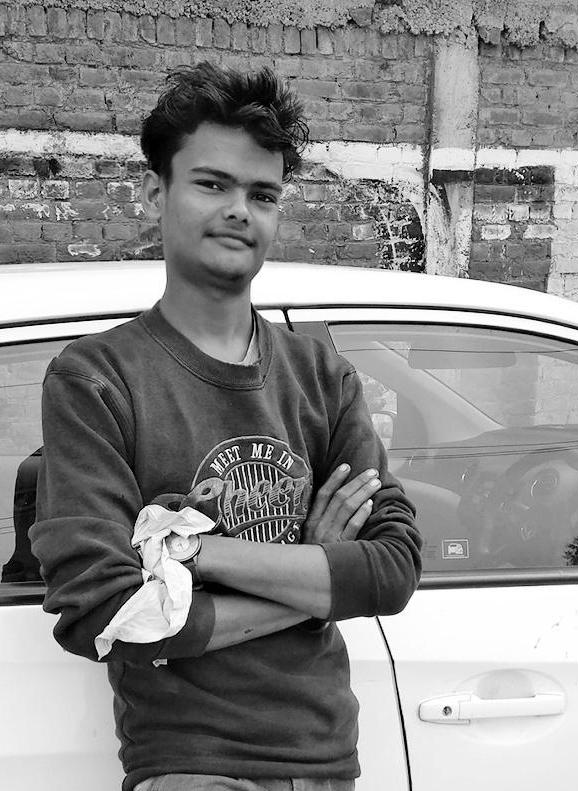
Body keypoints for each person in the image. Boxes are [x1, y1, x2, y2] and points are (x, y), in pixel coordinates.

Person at [30, 62, 421, 791]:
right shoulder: (96, 379)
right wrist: (314, 571)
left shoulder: (320, 374)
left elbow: (391, 570)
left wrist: (193, 556)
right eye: (212, 184)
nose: (240, 210)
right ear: (156, 191)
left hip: (329, 762)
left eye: (262, 194)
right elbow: (108, 614)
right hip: (193, 768)